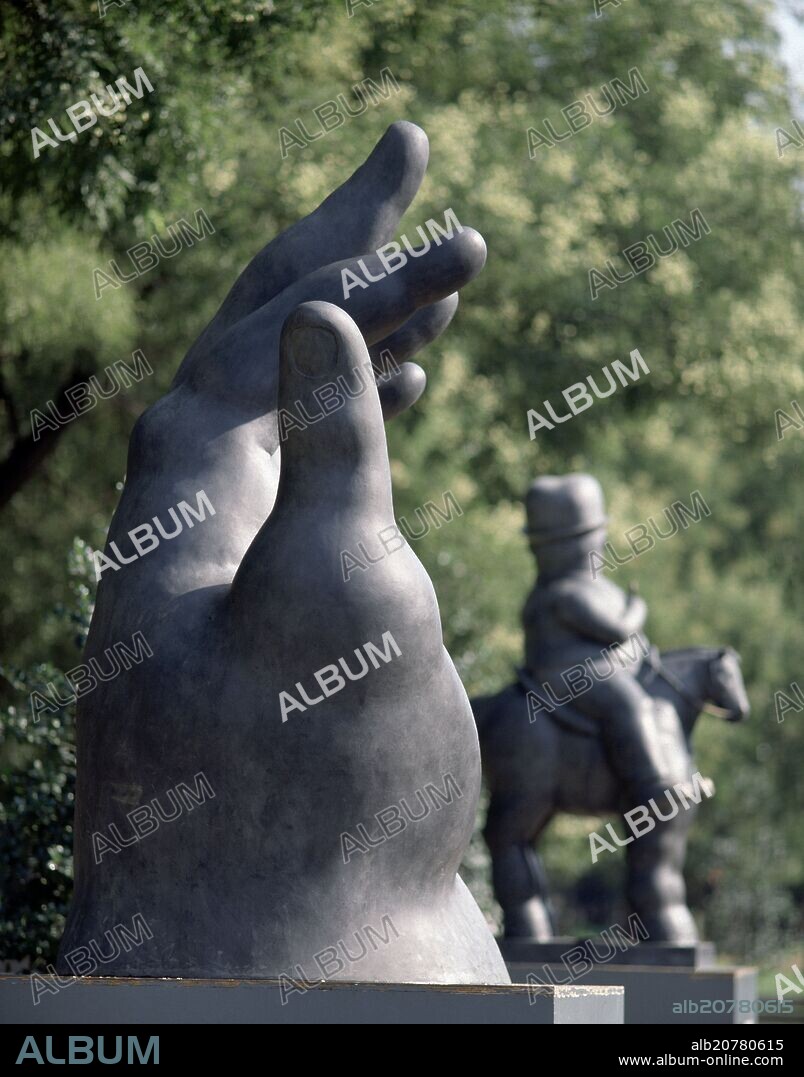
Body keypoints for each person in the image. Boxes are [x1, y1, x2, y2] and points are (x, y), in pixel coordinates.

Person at [521, 473, 672, 804]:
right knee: (630, 702)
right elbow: (617, 630)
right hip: (570, 676)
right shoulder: (566, 594)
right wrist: (637, 608)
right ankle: (651, 780)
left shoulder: (582, 587)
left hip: (582, 670)